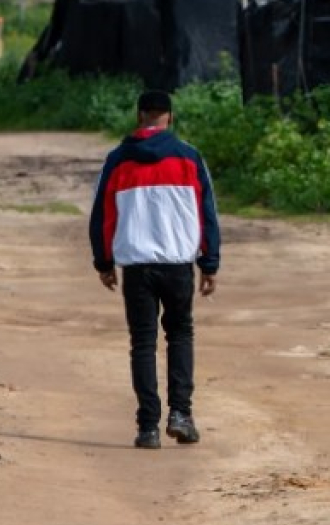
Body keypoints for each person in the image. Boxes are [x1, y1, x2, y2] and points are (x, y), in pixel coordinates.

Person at [88, 90, 221, 449]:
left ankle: (147, 427)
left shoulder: (118, 161)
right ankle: (181, 415)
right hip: (178, 265)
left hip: (137, 267)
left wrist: (103, 261)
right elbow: (207, 215)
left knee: (143, 343)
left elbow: (102, 216)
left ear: (139, 116)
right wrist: (209, 264)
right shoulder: (190, 158)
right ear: (170, 119)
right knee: (179, 336)